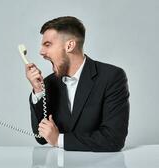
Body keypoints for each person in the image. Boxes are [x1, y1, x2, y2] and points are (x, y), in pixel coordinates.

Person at [26, 16, 129, 152]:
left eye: (47, 44)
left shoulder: (111, 77)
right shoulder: (48, 83)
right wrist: (38, 91)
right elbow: (41, 137)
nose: (41, 52)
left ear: (69, 45)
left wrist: (59, 140)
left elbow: (113, 139)